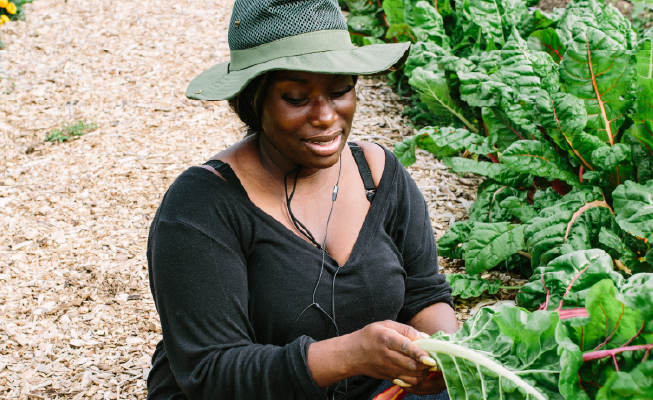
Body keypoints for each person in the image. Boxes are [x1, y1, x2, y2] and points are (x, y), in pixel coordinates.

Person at [145, 0, 459, 399]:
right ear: (252, 102)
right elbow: (211, 373)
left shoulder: (378, 173)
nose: (326, 115)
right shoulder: (200, 209)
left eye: (340, 90)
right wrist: (351, 354)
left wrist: (448, 358)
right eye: (296, 97)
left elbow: (425, 294)